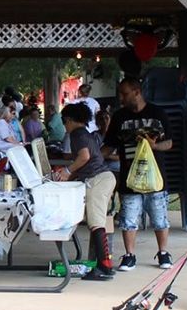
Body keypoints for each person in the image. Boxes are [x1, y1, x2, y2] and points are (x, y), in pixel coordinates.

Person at [105, 76, 173, 270]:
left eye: (125, 94)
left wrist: (155, 145)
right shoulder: (119, 117)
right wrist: (96, 158)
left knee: (160, 218)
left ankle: (163, 252)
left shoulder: (158, 113)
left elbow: (169, 142)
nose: (121, 98)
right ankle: (129, 255)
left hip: (155, 176)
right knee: (128, 219)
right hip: (129, 175)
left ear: (137, 92)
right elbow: (110, 144)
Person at [49, 102, 115, 279]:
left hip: (97, 179)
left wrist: (67, 171)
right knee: (97, 222)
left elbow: (85, 156)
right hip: (103, 177)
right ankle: (104, 265)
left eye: (64, 121)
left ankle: (104, 267)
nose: (64, 125)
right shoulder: (85, 133)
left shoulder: (77, 134)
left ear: (70, 120)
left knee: (97, 223)